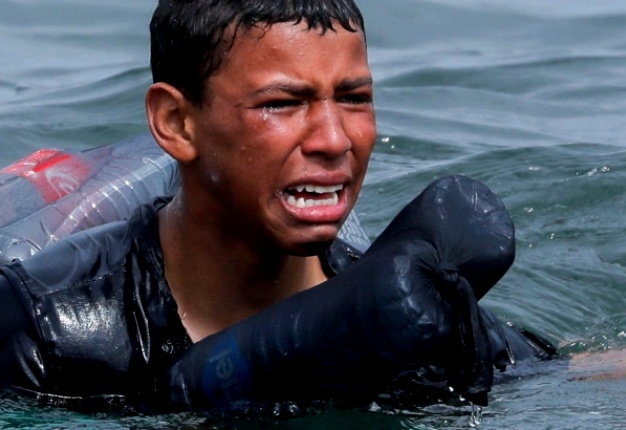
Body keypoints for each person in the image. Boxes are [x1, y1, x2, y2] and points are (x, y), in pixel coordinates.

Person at [0, 0, 554, 415]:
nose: (335, 139)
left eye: (355, 98)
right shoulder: (48, 330)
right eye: (282, 104)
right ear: (175, 122)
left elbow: (578, 380)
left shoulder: (410, 320)